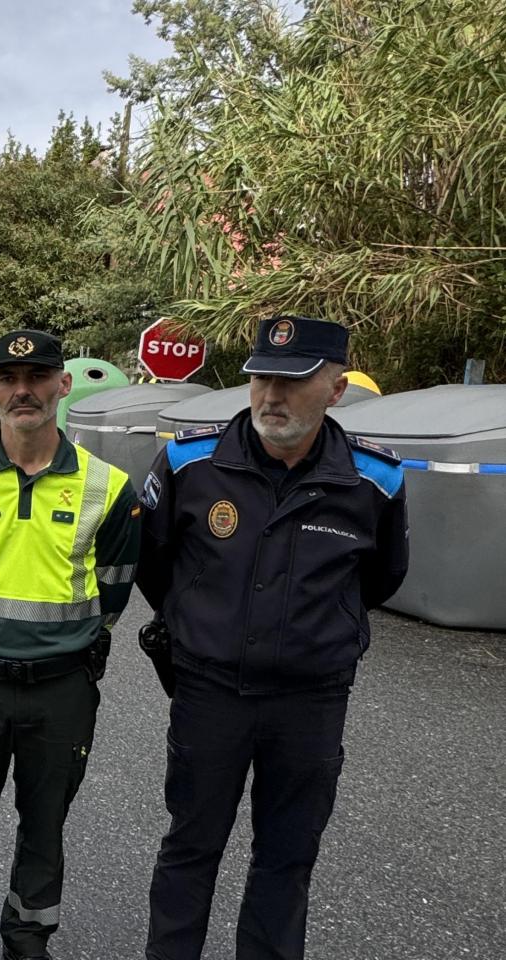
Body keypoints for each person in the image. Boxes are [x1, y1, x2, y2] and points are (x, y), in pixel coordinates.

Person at [138, 316, 408, 960]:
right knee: (190, 847)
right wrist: (200, 626)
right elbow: (152, 561)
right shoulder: (189, 462)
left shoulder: (375, 481)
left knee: (287, 857)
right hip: (210, 693)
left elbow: (381, 577)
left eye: (292, 381)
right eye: (261, 378)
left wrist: (315, 634)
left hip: (310, 702)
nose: (270, 396)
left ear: (336, 389)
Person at [0, 330, 140, 960]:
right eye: (8, 378)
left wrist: (66, 642)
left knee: (45, 830)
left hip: (62, 688)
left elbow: (115, 591)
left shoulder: (108, 487)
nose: (24, 390)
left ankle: (27, 939)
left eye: (39, 375)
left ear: (62, 384)